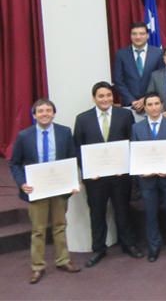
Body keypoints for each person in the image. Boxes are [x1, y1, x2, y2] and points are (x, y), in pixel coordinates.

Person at [9, 99, 82, 283]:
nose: (44, 114)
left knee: (60, 226)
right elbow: (14, 163)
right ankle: (37, 266)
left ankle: (63, 260)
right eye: (40, 111)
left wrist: (74, 182)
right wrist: (22, 183)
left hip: (59, 188)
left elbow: (71, 159)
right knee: (38, 230)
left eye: (48, 110)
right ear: (34, 115)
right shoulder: (24, 136)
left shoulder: (64, 132)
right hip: (36, 190)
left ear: (53, 114)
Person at [73, 81, 141, 267]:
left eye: (109, 95)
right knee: (97, 213)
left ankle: (128, 244)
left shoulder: (125, 115)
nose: (105, 99)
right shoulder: (83, 119)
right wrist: (88, 171)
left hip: (120, 176)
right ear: (94, 98)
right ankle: (98, 248)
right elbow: (78, 148)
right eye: (101, 96)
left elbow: (131, 143)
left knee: (123, 211)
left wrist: (126, 167)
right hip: (95, 178)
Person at [130, 92, 166, 262]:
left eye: (156, 104)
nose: (154, 108)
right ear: (145, 107)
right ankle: (154, 246)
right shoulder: (136, 128)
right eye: (150, 105)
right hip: (147, 179)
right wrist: (141, 171)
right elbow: (135, 153)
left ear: (162, 105)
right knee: (150, 213)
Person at [112, 21, 165, 112]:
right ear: (130, 36)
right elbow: (118, 80)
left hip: (152, 104)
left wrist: (146, 99)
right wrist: (132, 101)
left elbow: (161, 79)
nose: (138, 37)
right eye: (134, 34)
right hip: (129, 105)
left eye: (142, 34)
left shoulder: (158, 53)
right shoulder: (121, 54)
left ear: (147, 35)